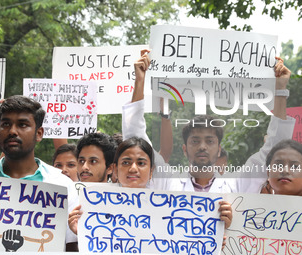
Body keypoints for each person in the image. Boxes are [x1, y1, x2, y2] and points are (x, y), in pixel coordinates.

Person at [122, 50, 296, 193]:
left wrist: (280, 90)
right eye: (195, 141)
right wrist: (140, 81)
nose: (202, 146)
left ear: (219, 149)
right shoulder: (168, 183)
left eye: (210, 141)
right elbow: (135, 140)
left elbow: (274, 149)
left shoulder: (237, 185)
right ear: (184, 149)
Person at [68, 136, 233, 250]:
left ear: (151, 171)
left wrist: (211, 240)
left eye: (141, 163)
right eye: (126, 162)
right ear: (115, 170)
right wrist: (82, 235)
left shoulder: (172, 205)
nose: (133, 168)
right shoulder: (92, 204)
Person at [0, 95, 78, 251]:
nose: (12, 131)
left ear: (39, 133)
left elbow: (71, 247)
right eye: (5, 124)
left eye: (22, 125)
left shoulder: (62, 185)